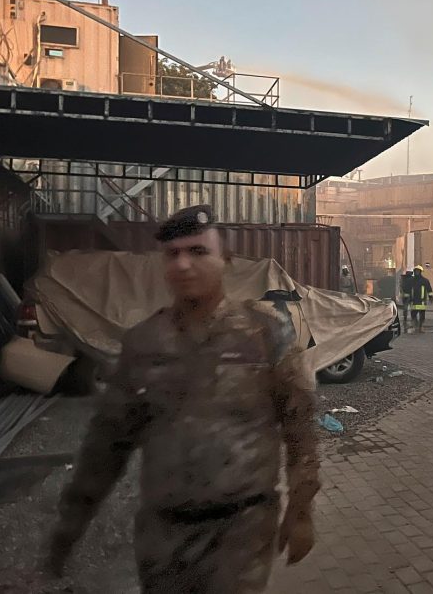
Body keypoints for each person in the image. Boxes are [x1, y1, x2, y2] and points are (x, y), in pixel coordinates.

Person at [46, 205, 320, 593]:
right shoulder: (144, 344)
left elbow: (300, 424)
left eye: (198, 251)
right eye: (173, 254)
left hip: (242, 531)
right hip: (164, 535)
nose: (184, 265)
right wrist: (70, 526)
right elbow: (106, 444)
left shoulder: (265, 334)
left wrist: (302, 509)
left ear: (225, 260)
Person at [410, 265, 433, 333]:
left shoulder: (425, 281)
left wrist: (431, 297)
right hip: (414, 300)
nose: (417, 272)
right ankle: (416, 326)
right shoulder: (411, 280)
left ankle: (420, 327)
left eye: (418, 271)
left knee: (422, 315)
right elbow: (408, 290)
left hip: (422, 300)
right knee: (413, 314)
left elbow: (429, 290)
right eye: (416, 271)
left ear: (420, 272)